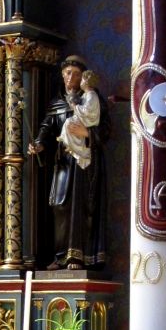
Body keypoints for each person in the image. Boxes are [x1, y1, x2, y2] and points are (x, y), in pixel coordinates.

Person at [28, 55, 108, 270]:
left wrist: (88, 133)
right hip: (63, 161)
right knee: (59, 206)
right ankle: (61, 255)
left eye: (74, 74)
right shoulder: (57, 104)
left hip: (85, 163)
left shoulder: (92, 100)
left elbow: (107, 132)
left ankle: (79, 256)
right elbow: (47, 127)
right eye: (66, 73)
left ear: (83, 77)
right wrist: (39, 144)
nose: (69, 77)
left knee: (82, 207)